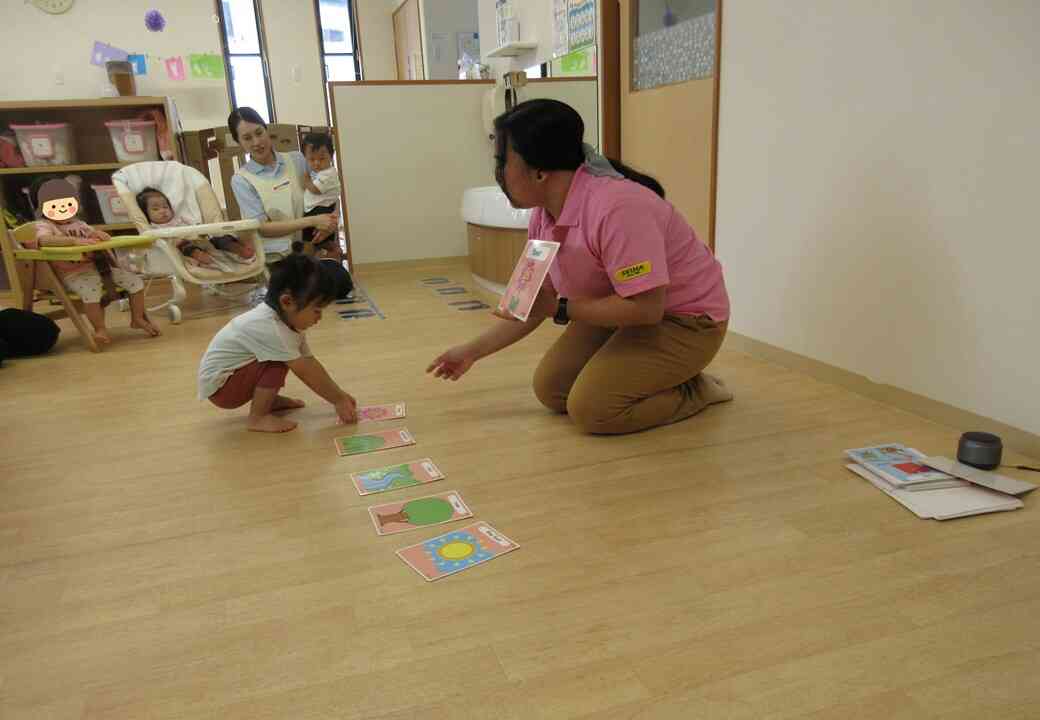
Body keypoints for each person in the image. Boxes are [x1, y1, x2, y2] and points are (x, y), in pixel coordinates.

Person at [427, 99, 732, 435]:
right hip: (618, 311)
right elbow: (527, 303)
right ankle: (648, 371)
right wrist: (469, 352)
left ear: (540, 171)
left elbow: (646, 309)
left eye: (502, 161)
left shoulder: (618, 208)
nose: (499, 174)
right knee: (552, 389)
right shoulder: (542, 213)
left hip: (686, 320)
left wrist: (560, 307)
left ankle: (695, 389)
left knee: (594, 410)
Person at [197, 248, 357, 433]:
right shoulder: (271, 327)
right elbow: (305, 371)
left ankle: (268, 402)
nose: (319, 318)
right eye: (316, 310)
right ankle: (258, 417)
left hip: (231, 379)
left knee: (285, 358)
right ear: (287, 302)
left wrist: (339, 394)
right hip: (222, 390)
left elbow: (310, 362)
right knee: (278, 363)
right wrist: (337, 400)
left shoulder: (286, 323)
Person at [28, 178, 160, 345]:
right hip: (72, 274)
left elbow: (93, 234)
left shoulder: (79, 223)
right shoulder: (44, 225)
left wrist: (99, 235)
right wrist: (73, 242)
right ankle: (99, 328)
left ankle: (137, 318)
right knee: (92, 291)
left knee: (136, 282)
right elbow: (45, 241)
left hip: (100, 269)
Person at [227, 107, 339, 260]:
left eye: (259, 133)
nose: (257, 142)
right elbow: (263, 228)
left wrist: (331, 222)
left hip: (314, 249)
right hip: (278, 260)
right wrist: (312, 221)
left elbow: (328, 192)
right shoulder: (241, 180)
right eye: (247, 138)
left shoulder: (297, 159)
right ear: (238, 142)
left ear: (266, 130)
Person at [136, 187, 254, 268]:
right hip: (183, 245)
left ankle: (239, 249)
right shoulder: (154, 228)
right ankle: (202, 257)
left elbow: (196, 226)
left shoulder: (180, 219)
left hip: (202, 239)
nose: (162, 211)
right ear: (146, 213)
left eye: (165, 207)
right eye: (156, 209)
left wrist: (200, 230)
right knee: (186, 246)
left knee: (219, 238)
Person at [299, 132, 344, 261]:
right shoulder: (321, 173)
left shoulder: (328, 174)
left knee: (309, 240)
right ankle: (327, 249)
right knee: (318, 239)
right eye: (312, 159)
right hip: (321, 209)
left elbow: (315, 189)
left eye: (322, 158)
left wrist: (306, 181)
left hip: (320, 210)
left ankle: (322, 253)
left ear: (331, 156)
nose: (317, 163)